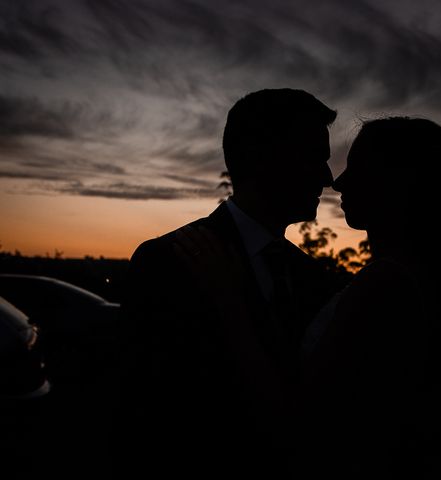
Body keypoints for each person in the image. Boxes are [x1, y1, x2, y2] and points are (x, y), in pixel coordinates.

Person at [175, 117, 441, 478]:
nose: (337, 181)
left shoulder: (386, 283)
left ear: (394, 183)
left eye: (356, 168)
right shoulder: (414, 273)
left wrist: (229, 302)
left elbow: (295, 420)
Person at [115, 89, 343, 478]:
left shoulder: (313, 277)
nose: (327, 176)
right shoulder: (166, 261)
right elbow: (141, 412)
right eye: (314, 157)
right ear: (261, 158)